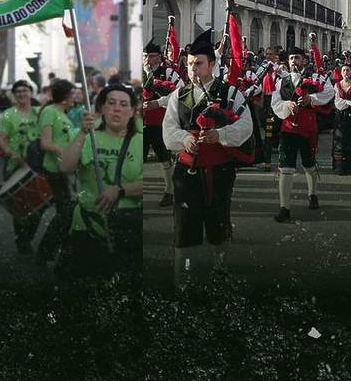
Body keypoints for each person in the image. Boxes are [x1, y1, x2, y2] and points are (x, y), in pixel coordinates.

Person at [162, 29, 253, 286]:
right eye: (190, 64)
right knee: (185, 227)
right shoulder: (178, 95)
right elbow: (169, 130)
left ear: (212, 64)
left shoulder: (231, 93)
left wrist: (220, 135)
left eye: (198, 63)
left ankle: (220, 269)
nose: (193, 69)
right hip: (186, 173)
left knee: (218, 222)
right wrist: (185, 139)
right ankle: (185, 276)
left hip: (219, 172)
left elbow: (246, 127)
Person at [56, 84, 144, 279]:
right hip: (86, 227)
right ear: (102, 108)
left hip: (127, 228)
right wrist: (82, 133)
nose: (117, 108)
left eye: (123, 104)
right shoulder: (86, 135)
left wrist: (120, 190)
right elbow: (66, 167)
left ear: (132, 111)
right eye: (111, 103)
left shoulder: (141, 141)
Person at [270, 46, 335, 221]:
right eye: (291, 58)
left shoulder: (314, 77)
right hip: (288, 129)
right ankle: (284, 208)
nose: (293, 61)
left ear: (304, 60)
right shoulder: (282, 81)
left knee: (309, 164)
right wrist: (287, 106)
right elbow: (275, 102)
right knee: (286, 167)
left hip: (308, 129)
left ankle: (312, 194)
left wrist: (311, 99)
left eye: (297, 58)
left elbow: (329, 92)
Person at [0, 81, 42, 254]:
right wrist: (11, 152)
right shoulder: (8, 115)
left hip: (38, 165)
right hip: (17, 165)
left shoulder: (39, 112)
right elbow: (1, 138)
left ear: (31, 92)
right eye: (18, 91)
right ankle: (22, 239)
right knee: (20, 207)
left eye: (25, 90)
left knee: (39, 206)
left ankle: (26, 237)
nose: (22, 94)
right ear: (14, 95)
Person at [35, 79, 78, 266]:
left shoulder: (63, 113)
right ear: (65, 97)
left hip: (64, 170)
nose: (75, 97)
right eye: (73, 94)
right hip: (54, 170)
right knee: (66, 213)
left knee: (66, 213)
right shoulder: (50, 112)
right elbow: (45, 143)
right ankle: (46, 253)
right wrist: (65, 152)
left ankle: (53, 252)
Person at [142, 39, 183, 207]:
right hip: (139, 122)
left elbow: (181, 92)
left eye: (151, 56)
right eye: (145, 56)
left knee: (164, 158)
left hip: (159, 122)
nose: (147, 60)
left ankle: (169, 191)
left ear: (159, 57)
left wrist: (158, 102)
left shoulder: (168, 73)